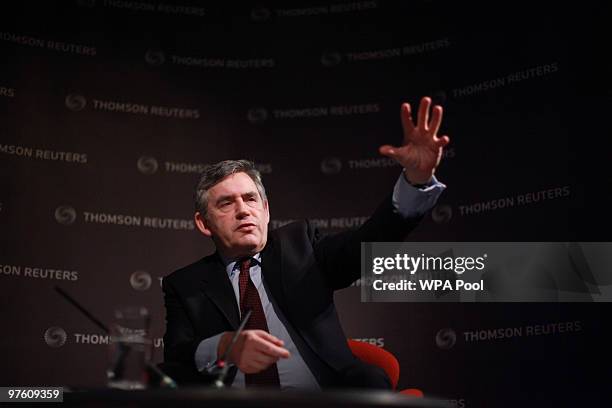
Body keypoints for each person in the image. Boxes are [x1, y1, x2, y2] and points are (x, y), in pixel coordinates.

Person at [162, 96, 450, 389]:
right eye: (226, 203)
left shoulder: (300, 245)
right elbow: (175, 360)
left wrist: (416, 181)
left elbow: (367, 246)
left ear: (266, 209)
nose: (243, 210)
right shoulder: (185, 285)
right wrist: (224, 346)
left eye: (250, 199)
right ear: (203, 223)